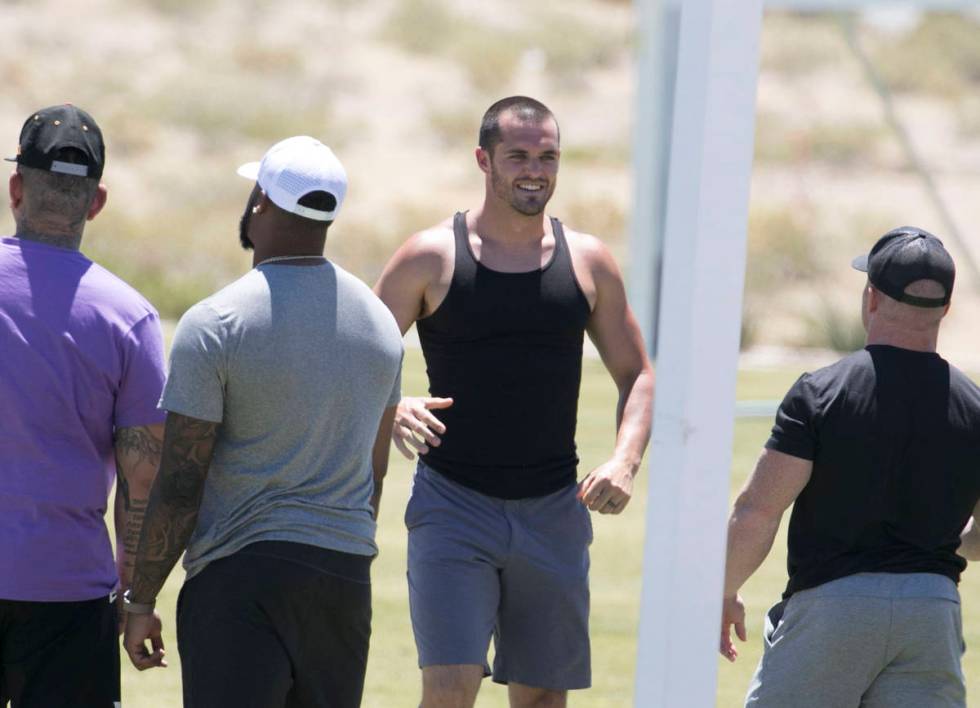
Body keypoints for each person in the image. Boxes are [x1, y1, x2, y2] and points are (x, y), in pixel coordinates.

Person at [374, 96, 654, 708]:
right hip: (452, 505)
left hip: (554, 509)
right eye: (519, 155)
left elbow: (637, 374)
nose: (536, 170)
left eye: (548, 156)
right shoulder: (430, 256)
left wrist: (624, 461)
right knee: (450, 688)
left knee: (542, 698)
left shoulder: (589, 262)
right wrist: (393, 406)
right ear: (484, 160)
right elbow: (353, 359)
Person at [121, 136, 403, 708]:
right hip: (344, 582)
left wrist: (141, 599)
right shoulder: (380, 326)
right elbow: (372, 478)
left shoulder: (217, 322)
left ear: (261, 203)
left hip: (240, 578)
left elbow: (180, 484)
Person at [720, 227, 980, 707]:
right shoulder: (974, 405)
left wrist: (725, 588)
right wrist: (929, 540)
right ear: (944, 307)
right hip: (932, 611)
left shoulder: (821, 392)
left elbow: (759, 509)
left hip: (833, 609)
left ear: (872, 298)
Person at [0, 104, 167, 707]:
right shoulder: (130, 317)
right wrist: (138, 598)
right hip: (69, 594)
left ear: (16, 188)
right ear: (95, 202)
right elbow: (143, 479)